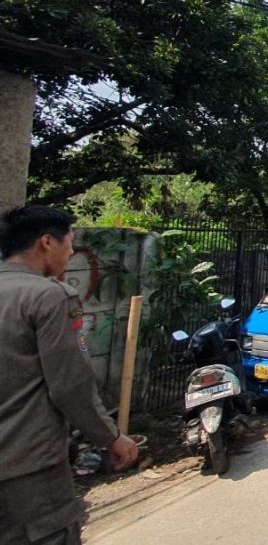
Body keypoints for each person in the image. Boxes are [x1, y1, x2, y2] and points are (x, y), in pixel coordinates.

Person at [0, 206, 140, 545]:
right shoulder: (50, 296)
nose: (72, 252)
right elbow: (70, 385)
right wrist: (111, 438)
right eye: (70, 243)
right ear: (47, 242)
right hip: (28, 468)